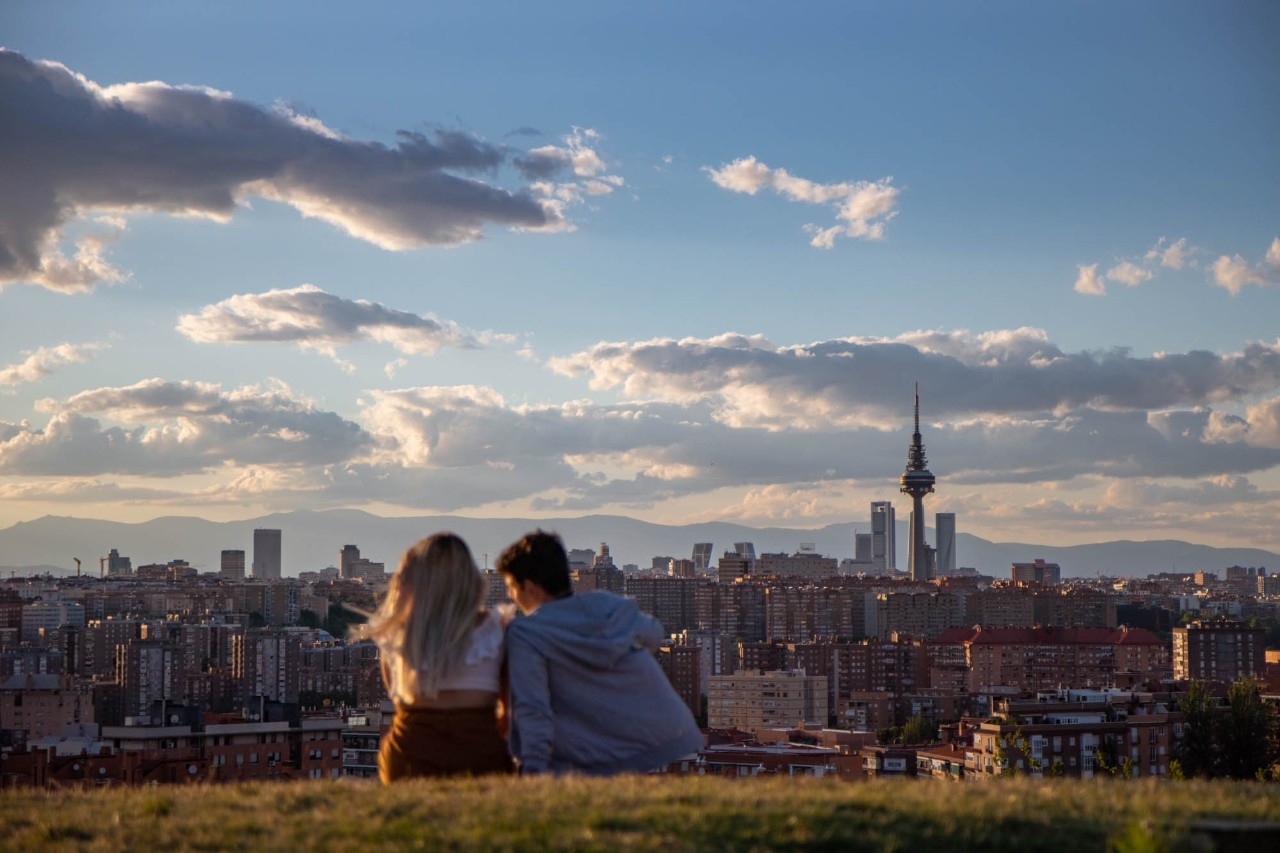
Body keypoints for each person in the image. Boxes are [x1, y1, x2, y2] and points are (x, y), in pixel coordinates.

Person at [498, 530, 703, 775]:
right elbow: (654, 634)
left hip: (600, 755)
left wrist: (532, 770)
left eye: (512, 587)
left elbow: (532, 709)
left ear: (530, 588)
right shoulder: (605, 605)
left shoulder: (526, 633)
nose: (511, 596)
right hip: (671, 735)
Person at [359, 532, 514, 782]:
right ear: (470, 579)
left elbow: (398, 697)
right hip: (480, 753)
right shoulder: (497, 631)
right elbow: (508, 711)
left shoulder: (396, 633)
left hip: (410, 753)